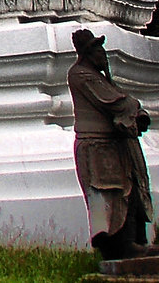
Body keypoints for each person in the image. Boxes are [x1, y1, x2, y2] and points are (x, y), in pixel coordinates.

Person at [71, 28, 154, 260]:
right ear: (89, 54)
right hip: (98, 149)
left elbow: (119, 97)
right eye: (98, 50)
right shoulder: (80, 75)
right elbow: (115, 102)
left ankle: (137, 240)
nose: (103, 54)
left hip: (115, 146)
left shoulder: (98, 76)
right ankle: (119, 246)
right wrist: (135, 108)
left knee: (130, 190)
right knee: (110, 196)